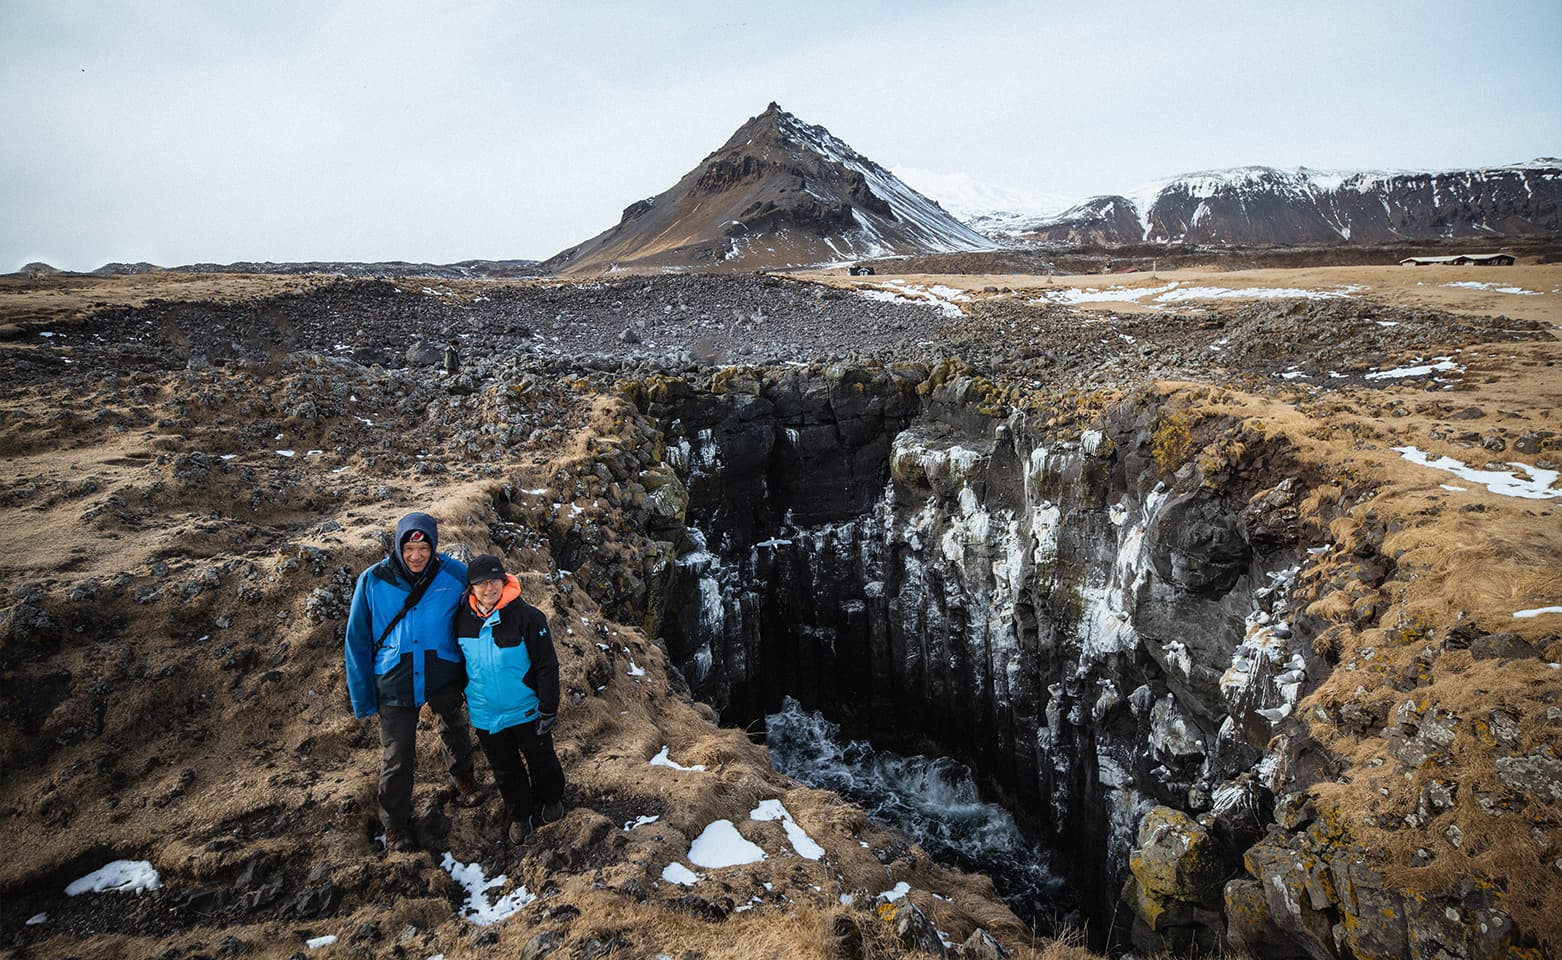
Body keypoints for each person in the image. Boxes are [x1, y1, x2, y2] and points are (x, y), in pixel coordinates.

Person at [344, 512, 482, 852]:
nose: (416, 556)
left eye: (423, 548)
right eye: (408, 548)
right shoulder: (373, 580)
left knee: (454, 726)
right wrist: (363, 696)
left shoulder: (454, 574)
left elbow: (482, 606)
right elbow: (357, 639)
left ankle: (465, 780)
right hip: (394, 677)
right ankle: (395, 825)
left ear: (433, 546)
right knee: (398, 754)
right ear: (398, 546)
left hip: (443, 670)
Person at [456, 554, 566, 843]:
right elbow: (456, 665)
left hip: (527, 708)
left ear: (504, 581)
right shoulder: (460, 621)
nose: (489, 588)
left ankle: (551, 799)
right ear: (471, 588)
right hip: (486, 714)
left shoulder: (528, 617)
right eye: (481, 583)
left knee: (542, 760)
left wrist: (548, 707)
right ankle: (520, 814)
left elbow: (546, 665)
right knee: (505, 770)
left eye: (494, 581)